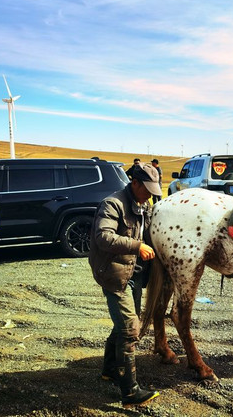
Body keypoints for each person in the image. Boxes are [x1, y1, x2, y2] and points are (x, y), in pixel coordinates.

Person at [88, 163, 162, 407]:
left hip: (134, 273)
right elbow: (103, 237)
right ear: (135, 183)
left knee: (123, 324)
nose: (150, 195)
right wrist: (136, 246)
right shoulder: (113, 204)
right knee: (130, 329)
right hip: (114, 274)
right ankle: (130, 393)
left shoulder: (143, 205)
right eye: (147, 190)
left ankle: (110, 369)